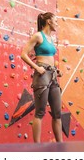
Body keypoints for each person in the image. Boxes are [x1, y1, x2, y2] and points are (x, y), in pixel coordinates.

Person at [21, 12, 63, 143]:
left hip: (53, 75)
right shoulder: (38, 36)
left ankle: (60, 144)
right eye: (55, 21)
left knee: (57, 113)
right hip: (42, 75)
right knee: (40, 112)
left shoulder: (51, 39)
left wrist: (56, 70)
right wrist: (36, 67)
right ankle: (37, 146)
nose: (57, 23)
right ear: (49, 22)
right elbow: (24, 54)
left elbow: (50, 57)